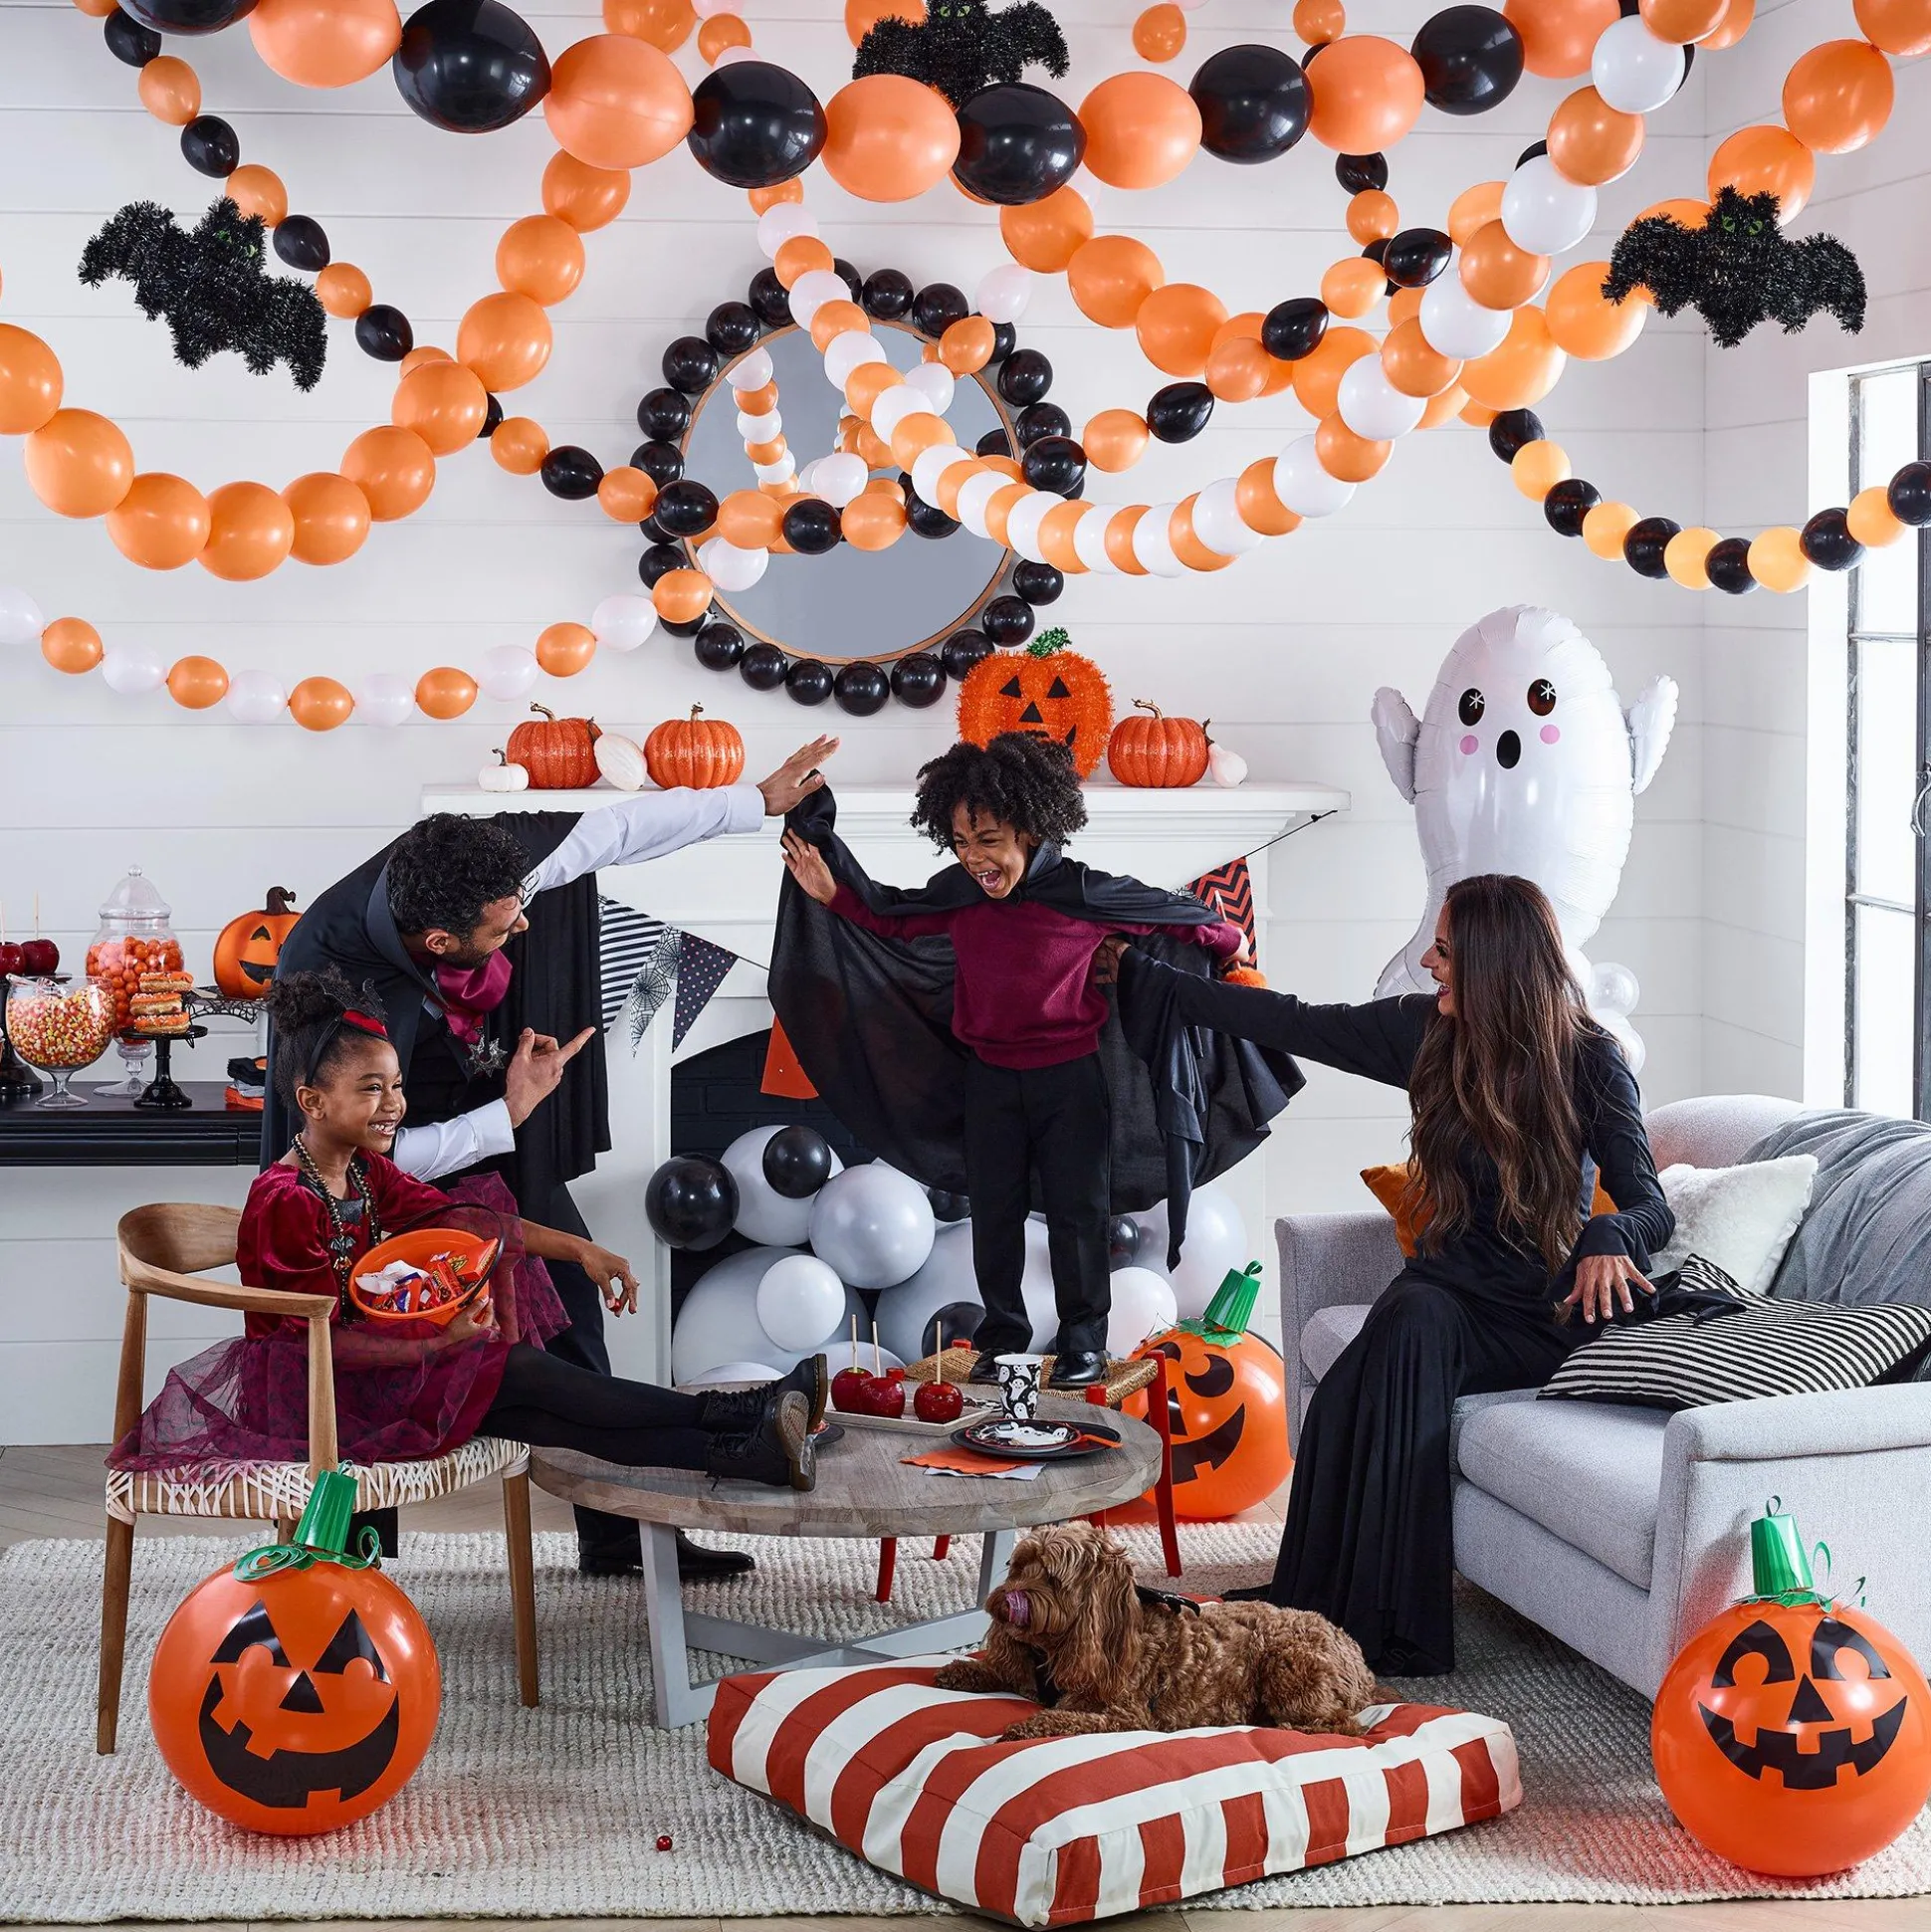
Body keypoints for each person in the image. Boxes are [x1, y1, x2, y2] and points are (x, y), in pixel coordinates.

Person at [264, 733, 838, 1578]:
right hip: (385, 1165)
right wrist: (509, 1112)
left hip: (473, 1107)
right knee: (387, 1346)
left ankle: (621, 1533)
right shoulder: (335, 989)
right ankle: (350, 1567)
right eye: (504, 929)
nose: (525, 926)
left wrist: (755, 800)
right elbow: (360, 1164)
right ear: (437, 941)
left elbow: (614, 830)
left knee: (573, 1317)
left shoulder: (473, 865)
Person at [1102, 873, 1673, 1675]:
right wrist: (1148, 976)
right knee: (1346, 1393)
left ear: (1493, 960)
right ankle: (1312, 1604)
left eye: (1445, 950)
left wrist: (1610, 1229)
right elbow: (1292, 1020)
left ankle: (1400, 1630)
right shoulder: (1426, 1033)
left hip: (1534, 1317)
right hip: (1443, 1294)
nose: (1430, 963)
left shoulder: (1590, 1060)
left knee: (1410, 1324)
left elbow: (1650, 1205)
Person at [111, 971, 823, 1492]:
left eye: (395, 1085)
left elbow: (469, 1223)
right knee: (524, 1373)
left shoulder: (364, 1169)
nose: (393, 1104)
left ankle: (751, 1449)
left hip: (379, 1369)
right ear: (312, 1102)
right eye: (371, 1089)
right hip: (318, 1398)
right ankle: (741, 1412)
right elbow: (308, 1341)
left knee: (551, 1417)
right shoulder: (285, 1199)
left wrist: (581, 1248)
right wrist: (438, 1342)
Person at [779, 734, 1246, 1389]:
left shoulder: (1084, 892)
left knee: (1078, 1214)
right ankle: (1003, 1337)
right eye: (959, 842)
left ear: (1029, 828)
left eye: (988, 840)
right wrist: (836, 895)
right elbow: (894, 917)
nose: (973, 857)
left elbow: (1178, 916)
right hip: (990, 1080)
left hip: (1071, 1080)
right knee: (994, 1217)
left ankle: (1084, 1343)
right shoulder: (960, 892)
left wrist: (1229, 943)